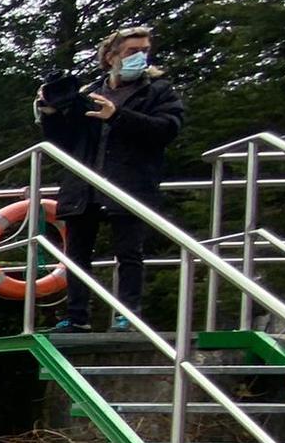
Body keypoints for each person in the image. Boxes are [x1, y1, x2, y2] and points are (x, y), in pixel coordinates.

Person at [37, 24, 185, 333]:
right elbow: (65, 142)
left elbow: (166, 130)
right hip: (84, 183)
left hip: (130, 181)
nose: (140, 57)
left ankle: (127, 316)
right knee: (76, 254)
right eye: (132, 52)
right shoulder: (90, 93)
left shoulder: (159, 91)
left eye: (144, 51)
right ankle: (77, 317)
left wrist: (117, 116)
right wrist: (50, 112)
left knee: (129, 252)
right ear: (111, 56)